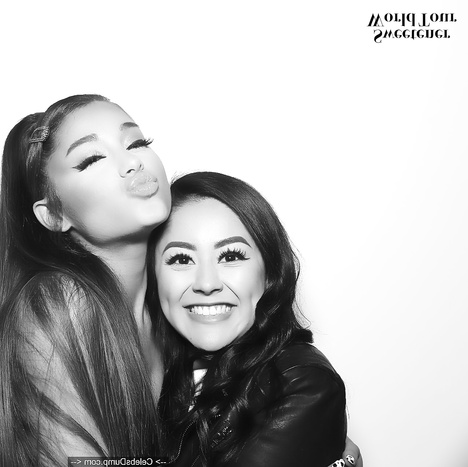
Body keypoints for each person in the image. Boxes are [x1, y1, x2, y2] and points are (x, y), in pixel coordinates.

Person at [0, 95, 361, 467]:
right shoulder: (63, 301)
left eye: (136, 143)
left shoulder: (170, 322)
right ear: (54, 215)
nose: (132, 163)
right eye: (91, 159)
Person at [147, 171, 353, 467]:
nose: (206, 283)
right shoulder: (161, 374)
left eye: (230, 256)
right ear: (154, 278)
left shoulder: (301, 383)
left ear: (269, 273)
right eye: (181, 259)